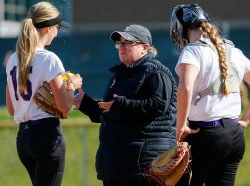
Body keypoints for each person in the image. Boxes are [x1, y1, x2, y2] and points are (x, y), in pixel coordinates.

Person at [169, 3, 250, 186]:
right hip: (234, 135)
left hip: (207, 134)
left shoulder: (192, 51)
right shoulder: (232, 50)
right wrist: (246, 120)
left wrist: (181, 126)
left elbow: (185, 88)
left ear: (181, 29)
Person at [75, 24, 178, 186]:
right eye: (120, 43)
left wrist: (120, 104)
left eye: (128, 42)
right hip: (119, 165)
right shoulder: (120, 75)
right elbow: (107, 112)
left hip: (146, 165)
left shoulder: (156, 72)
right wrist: (82, 101)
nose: (122, 47)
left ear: (145, 47)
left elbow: (158, 106)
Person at [5, 1, 82, 186]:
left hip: (23, 138)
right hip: (46, 135)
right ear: (48, 28)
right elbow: (64, 108)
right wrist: (72, 86)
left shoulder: (14, 59)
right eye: (57, 27)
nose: (57, 32)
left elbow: (10, 109)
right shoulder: (49, 59)